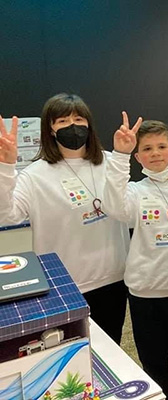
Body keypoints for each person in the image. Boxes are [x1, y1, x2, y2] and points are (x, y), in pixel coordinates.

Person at [0, 93, 130, 343]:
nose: (72, 126)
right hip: (65, 283)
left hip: (113, 277)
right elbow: (7, 216)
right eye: (62, 121)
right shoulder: (34, 175)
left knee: (111, 343)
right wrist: (5, 167)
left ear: (89, 124)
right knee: (73, 349)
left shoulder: (112, 162)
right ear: (50, 129)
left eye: (79, 119)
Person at [102, 117, 168, 399]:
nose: (155, 153)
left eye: (161, 146)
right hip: (145, 293)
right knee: (153, 364)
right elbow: (114, 207)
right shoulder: (135, 191)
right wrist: (120, 156)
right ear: (138, 157)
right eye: (147, 149)